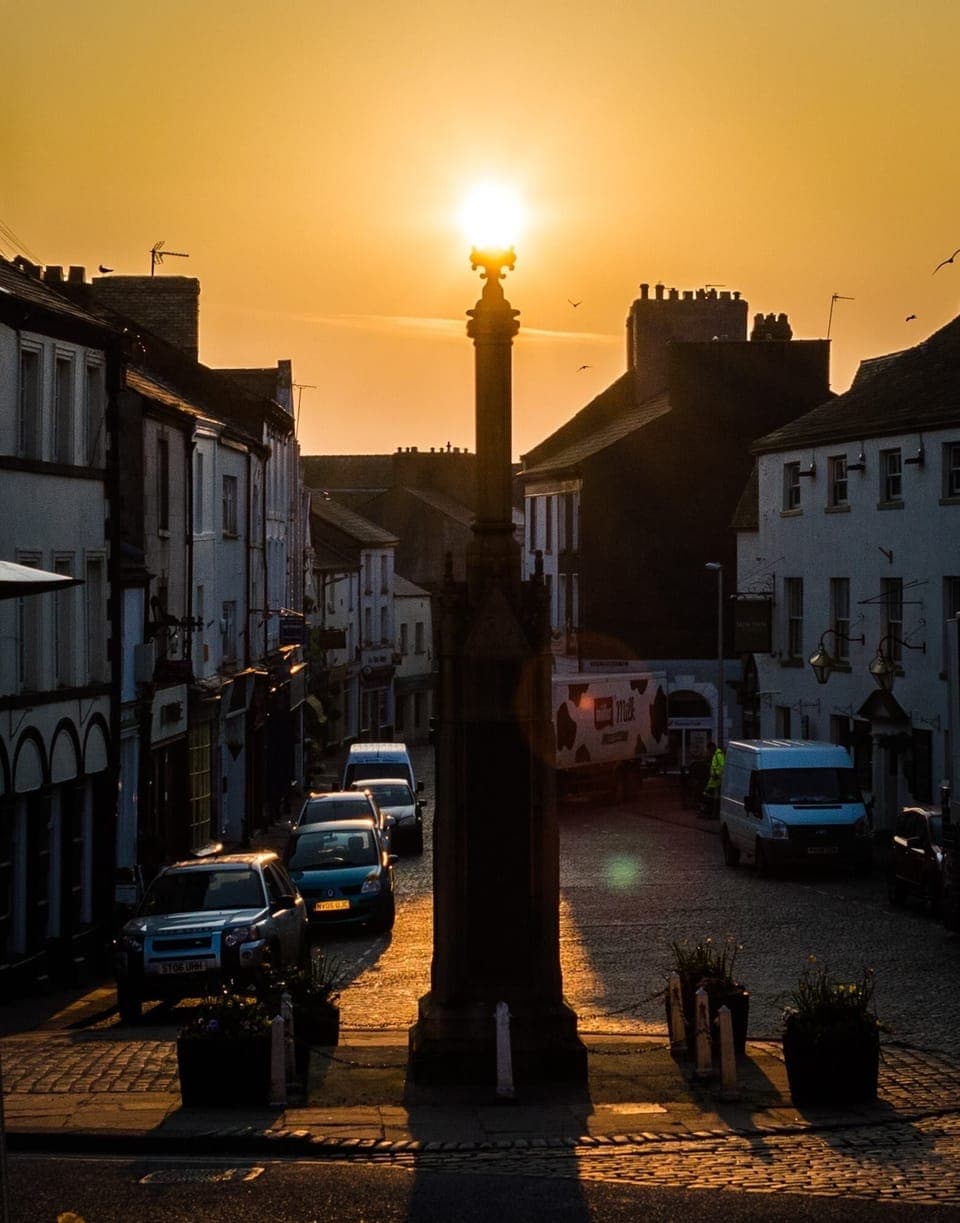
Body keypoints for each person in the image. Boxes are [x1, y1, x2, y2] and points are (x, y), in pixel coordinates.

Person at [700, 740, 725, 819]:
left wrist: (716, 774)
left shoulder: (718, 755)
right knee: (708, 795)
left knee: (709, 796)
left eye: (709, 749)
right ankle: (710, 812)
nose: (708, 751)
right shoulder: (716, 755)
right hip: (714, 780)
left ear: (712, 748)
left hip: (716, 781)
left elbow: (722, 766)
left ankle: (711, 813)